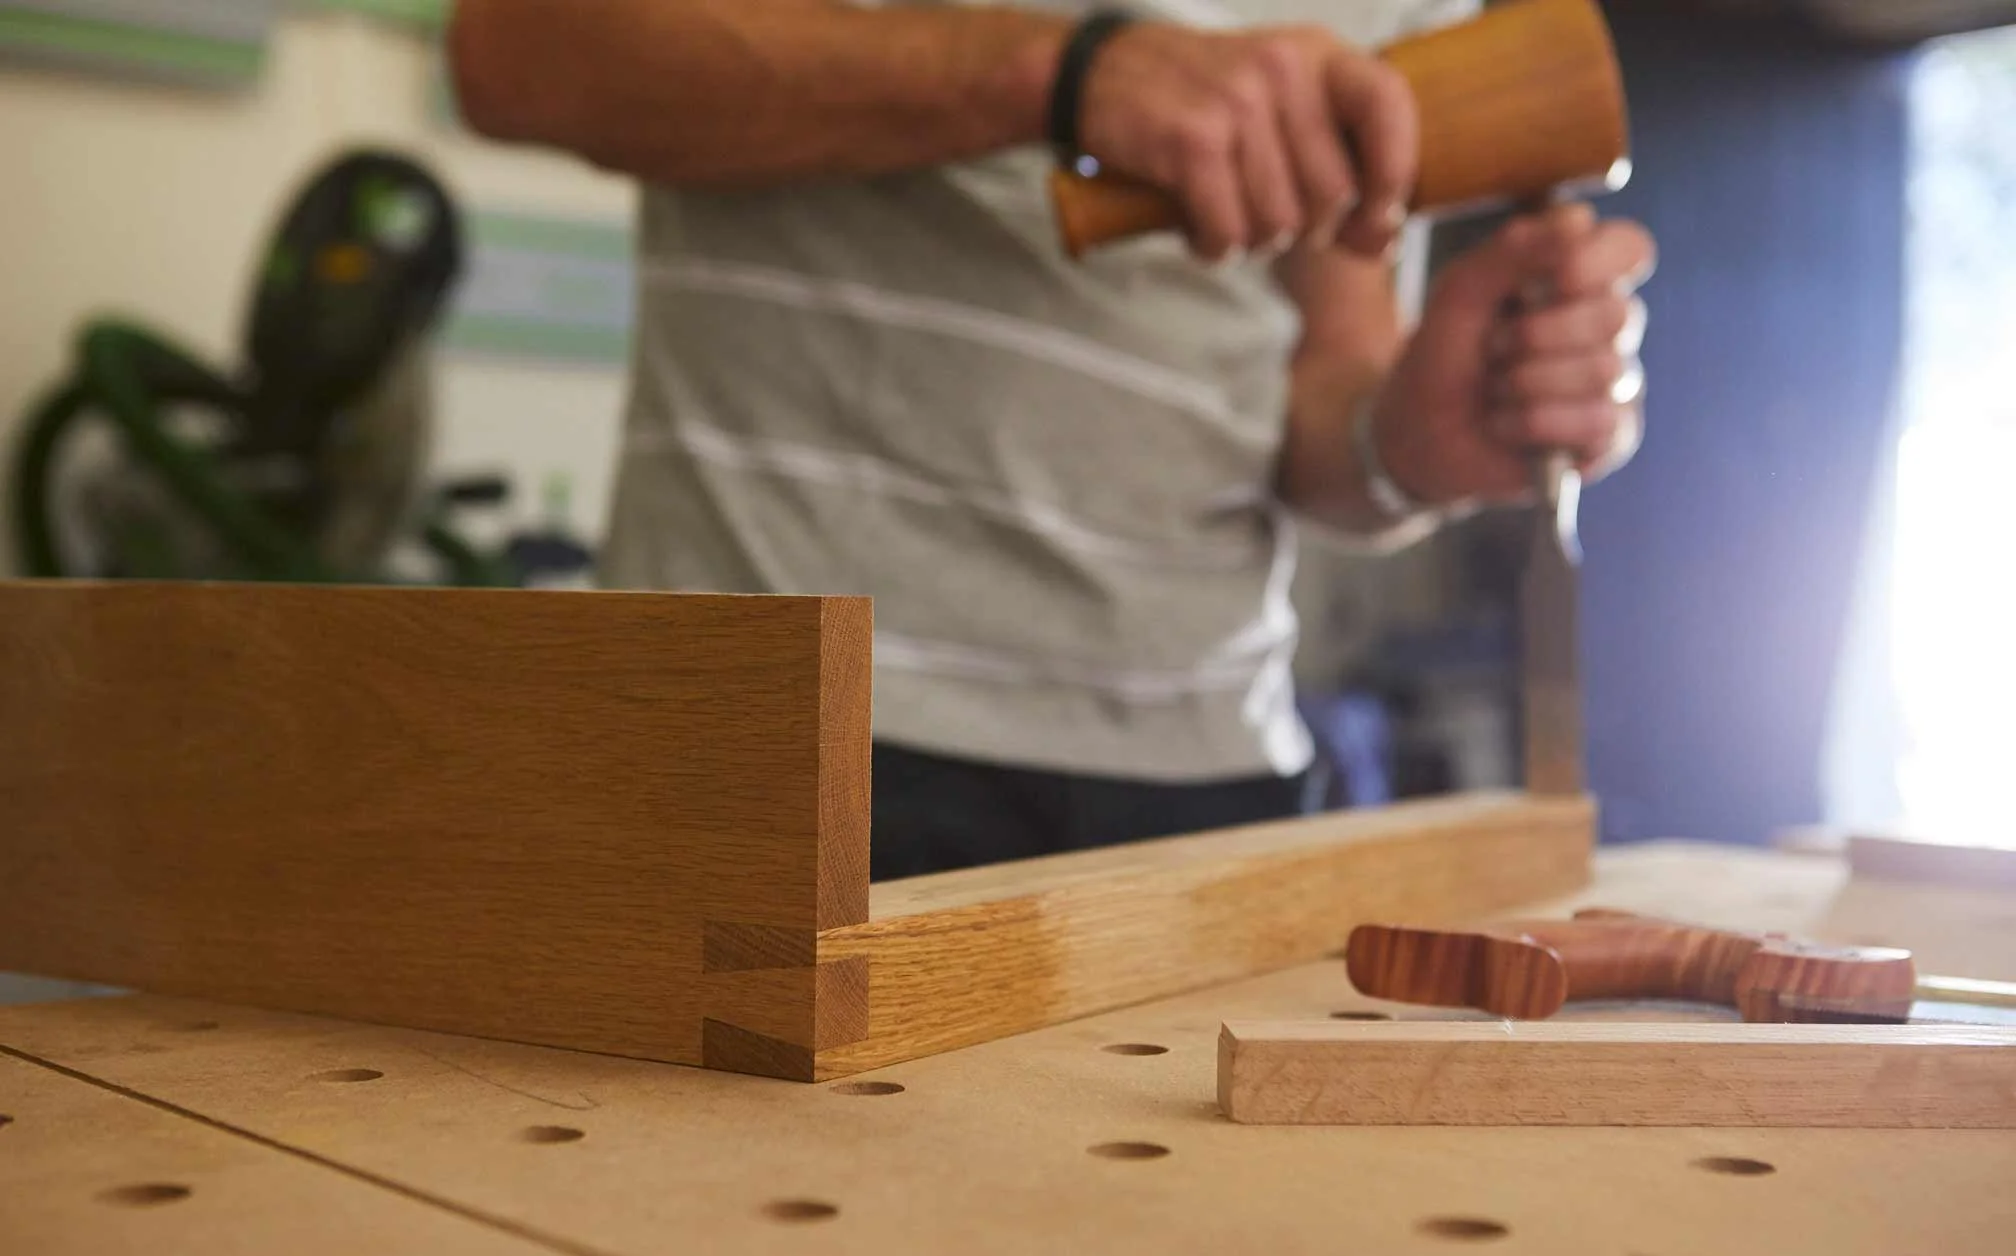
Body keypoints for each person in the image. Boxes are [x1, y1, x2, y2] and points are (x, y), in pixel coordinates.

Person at [446, 0, 1656, 879]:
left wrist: (1412, 442)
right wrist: (1057, 76)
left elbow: (1326, 373)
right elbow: (523, 51)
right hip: (764, 736)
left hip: (1206, 776)